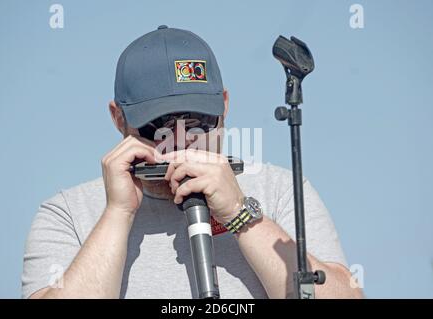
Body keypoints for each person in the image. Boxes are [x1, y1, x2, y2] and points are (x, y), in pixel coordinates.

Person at [22, 26, 362, 299]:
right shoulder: (67, 212)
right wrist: (118, 214)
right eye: (158, 124)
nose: (182, 139)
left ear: (224, 106)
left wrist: (240, 215)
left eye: (199, 120)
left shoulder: (281, 191)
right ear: (118, 118)